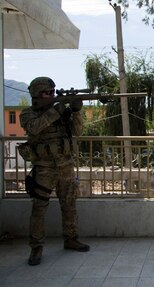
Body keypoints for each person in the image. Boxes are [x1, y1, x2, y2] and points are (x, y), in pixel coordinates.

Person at [19, 77, 90, 266]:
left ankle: (71, 238)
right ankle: (36, 247)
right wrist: (56, 110)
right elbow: (34, 128)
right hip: (44, 167)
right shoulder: (28, 113)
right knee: (39, 208)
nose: (51, 95)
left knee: (69, 204)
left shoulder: (61, 112)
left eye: (52, 92)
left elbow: (78, 132)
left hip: (65, 164)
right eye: (47, 93)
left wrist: (75, 112)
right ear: (36, 94)